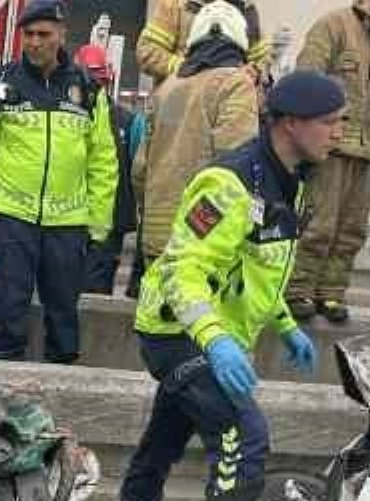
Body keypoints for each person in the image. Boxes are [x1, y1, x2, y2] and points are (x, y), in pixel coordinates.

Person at [118, 71, 340, 501]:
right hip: (176, 330)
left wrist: (284, 323)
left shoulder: (286, 181)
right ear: (291, 123)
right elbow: (184, 271)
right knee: (242, 430)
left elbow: (255, 269)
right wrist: (215, 340)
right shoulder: (229, 183)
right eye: (330, 122)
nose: (338, 133)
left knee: (168, 432)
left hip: (210, 333)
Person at [0, 0, 118, 363]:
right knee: (8, 316)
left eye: (44, 34)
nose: (34, 42)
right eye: (28, 34)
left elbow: (103, 163)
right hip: (10, 218)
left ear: (61, 35)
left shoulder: (89, 91)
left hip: (68, 224)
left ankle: (58, 396)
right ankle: (1, 396)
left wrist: (98, 226)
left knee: (63, 320)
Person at [284, 0, 370, 323]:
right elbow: (307, 80)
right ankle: (299, 290)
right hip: (331, 146)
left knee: (352, 229)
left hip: (369, 150)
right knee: (319, 225)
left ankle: (332, 293)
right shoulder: (333, 25)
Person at [135, 0, 261, 272]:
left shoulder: (167, 87)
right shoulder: (235, 85)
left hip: (156, 231)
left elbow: (140, 168)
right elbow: (236, 166)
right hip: (201, 233)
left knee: (153, 311)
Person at [77, 44, 137, 296]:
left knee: (95, 290)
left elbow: (137, 169)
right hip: (72, 220)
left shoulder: (127, 121)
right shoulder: (66, 116)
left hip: (108, 225)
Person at [138, 0, 266, 83]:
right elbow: (147, 50)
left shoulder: (247, 8)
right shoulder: (175, 4)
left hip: (231, 105)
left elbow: (262, 59)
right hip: (181, 107)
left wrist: (254, 72)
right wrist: (187, 68)